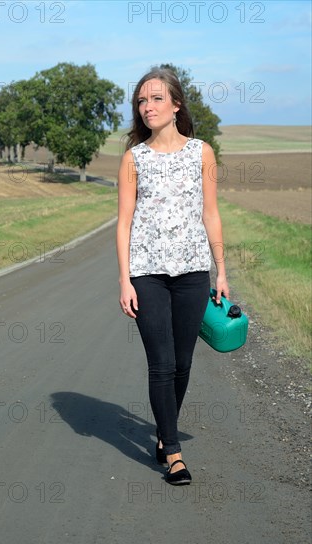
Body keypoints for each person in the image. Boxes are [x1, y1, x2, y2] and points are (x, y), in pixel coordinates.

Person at [116, 66, 229, 485]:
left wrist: (221, 272)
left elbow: (211, 213)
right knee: (161, 363)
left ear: (176, 104)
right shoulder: (134, 158)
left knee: (183, 363)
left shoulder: (202, 152)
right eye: (142, 101)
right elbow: (124, 222)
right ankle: (174, 452)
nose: (147, 107)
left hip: (194, 270)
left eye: (156, 98)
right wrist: (125, 279)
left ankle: (163, 435)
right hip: (147, 272)